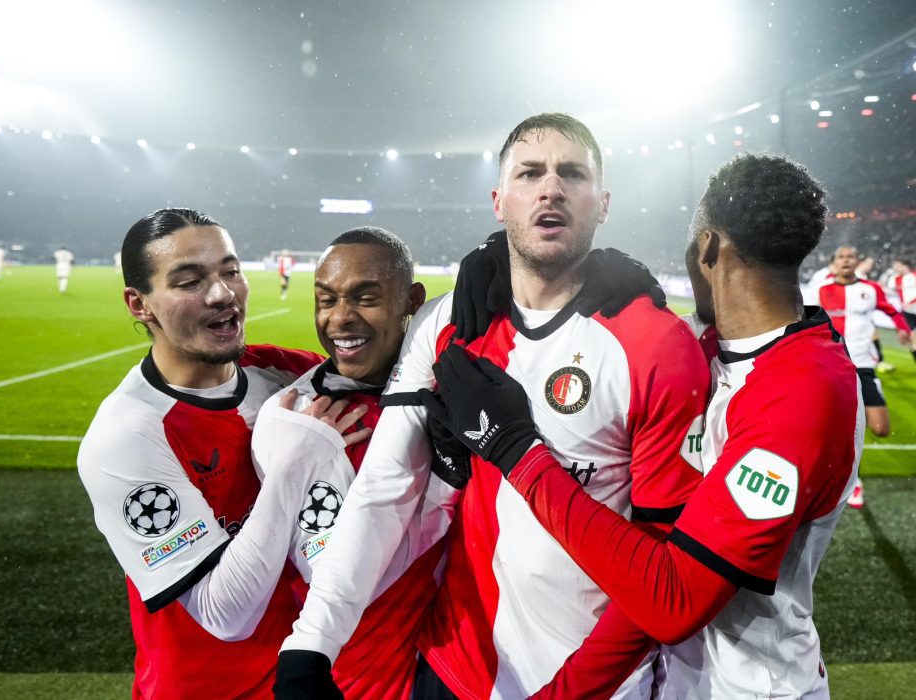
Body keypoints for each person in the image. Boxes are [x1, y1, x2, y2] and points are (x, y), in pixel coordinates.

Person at [275, 112, 708, 698]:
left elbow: (667, 566)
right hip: (457, 667)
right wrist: (312, 643)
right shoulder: (449, 321)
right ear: (499, 200)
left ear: (603, 204)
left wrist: (578, 689)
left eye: (571, 174)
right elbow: (385, 485)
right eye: (530, 173)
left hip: (596, 682)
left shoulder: (656, 344)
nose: (550, 188)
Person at [424, 153, 863, 698]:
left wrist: (515, 451)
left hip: (748, 686)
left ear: (706, 247)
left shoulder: (804, 392)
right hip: (677, 680)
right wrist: (500, 258)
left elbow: (674, 600)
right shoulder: (718, 349)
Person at [77, 208, 368, 699]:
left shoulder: (278, 372)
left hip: (310, 679)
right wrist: (295, 463)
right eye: (189, 281)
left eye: (230, 271)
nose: (222, 294)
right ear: (139, 304)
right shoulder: (126, 436)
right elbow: (223, 615)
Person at [253, 226, 460, 700]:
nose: (340, 318)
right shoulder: (295, 417)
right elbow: (332, 566)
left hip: (455, 666)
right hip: (349, 677)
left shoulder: (454, 394)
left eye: (364, 298)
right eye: (326, 301)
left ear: (411, 300)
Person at [819, 245, 911, 508]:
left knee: (881, 429)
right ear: (834, 263)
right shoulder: (821, 290)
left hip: (863, 365)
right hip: (832, 367)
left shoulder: (870, 290)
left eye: (850, 256)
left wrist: (904, 330)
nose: (846, 261)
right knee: (837, 429)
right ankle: (852, 480)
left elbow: (891, 310)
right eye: (841, 257)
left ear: (857, 261)